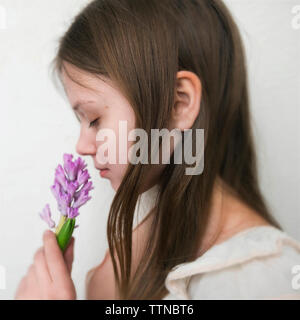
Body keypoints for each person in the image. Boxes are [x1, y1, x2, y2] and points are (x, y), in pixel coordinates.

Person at [15, 0, 300, 300]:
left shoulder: (262, 280)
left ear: (179, 104)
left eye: (95, 119)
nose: (82, 146)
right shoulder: (132, 257)